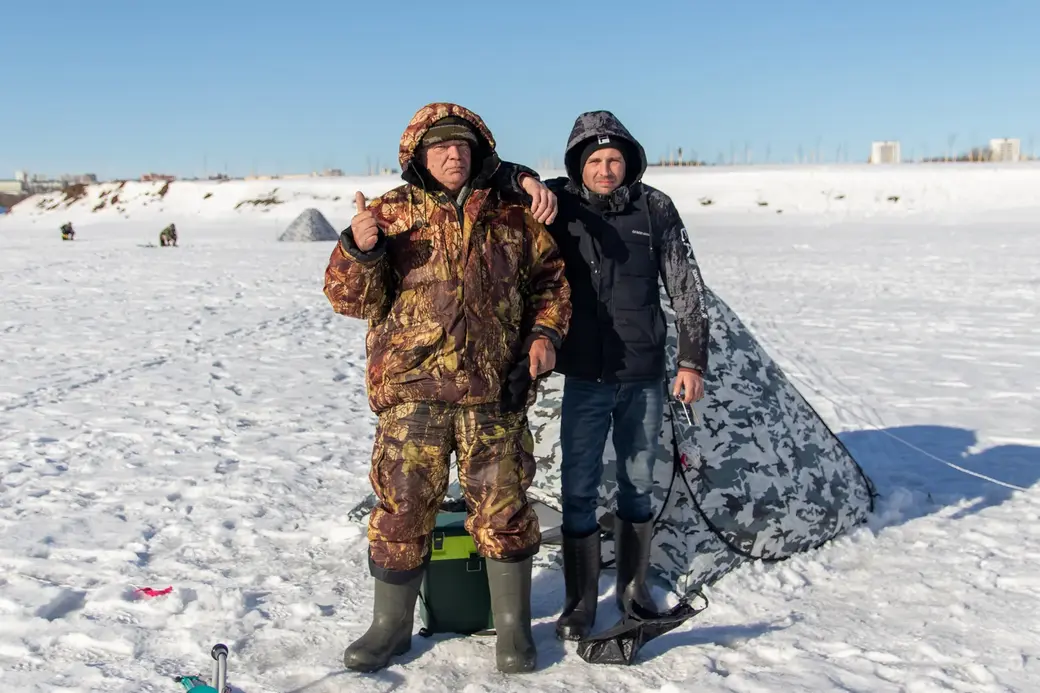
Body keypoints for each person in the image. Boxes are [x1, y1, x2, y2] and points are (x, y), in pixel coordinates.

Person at [323, 102, 571, 674]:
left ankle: (512, 629)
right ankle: (389, 628)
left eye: (462, 146)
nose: (453, 155)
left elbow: (551, 283)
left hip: (494, 393)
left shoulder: (512, 213)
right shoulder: (388, 214)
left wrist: (544, 335)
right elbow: (348, 299)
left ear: (480, 151)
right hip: (413, 394)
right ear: (418, 156)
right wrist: (358, 250)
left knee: (505, 511)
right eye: (439, 147)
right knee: (402, 511)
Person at [514, 110, 710, 640]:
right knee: (578, 488)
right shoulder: (556, 202)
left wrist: (691, 362)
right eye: (595, 160)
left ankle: (633, 592)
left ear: (629, 162)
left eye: (615, 159)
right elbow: (496, 174)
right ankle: (579, 602)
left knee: (637, 484)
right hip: (584, 374)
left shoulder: (656, 207)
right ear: (579, 163)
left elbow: (688, 289)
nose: (606, 169)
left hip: (643, 373)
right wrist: (527, 179)